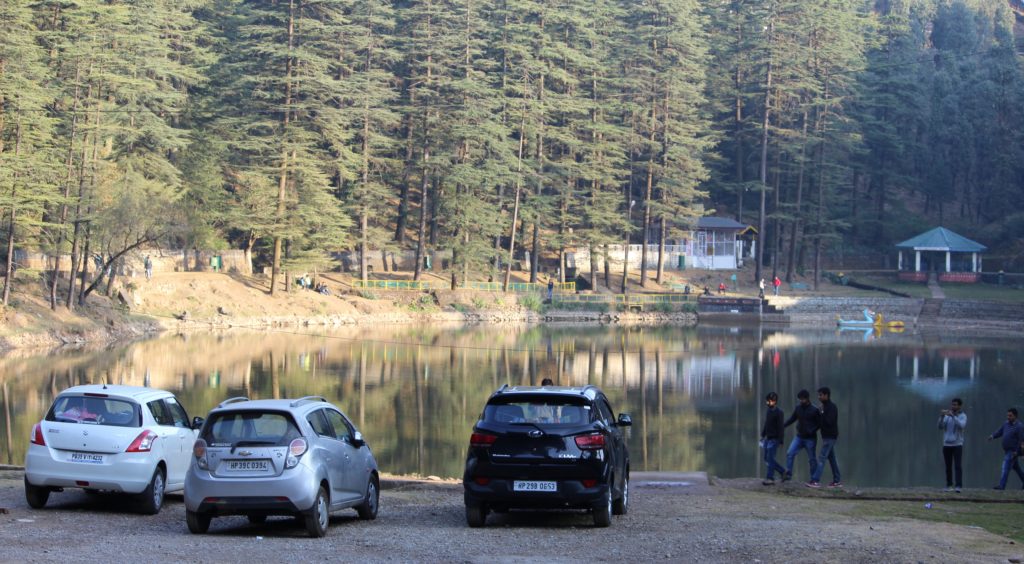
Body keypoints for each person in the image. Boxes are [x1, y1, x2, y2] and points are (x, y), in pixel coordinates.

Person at [783, 389, 820, 482]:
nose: (801, 401)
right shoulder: (798, 408)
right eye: (800, 399)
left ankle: (814, 479)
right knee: (790, 453)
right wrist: (782, 426)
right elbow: (792, 419)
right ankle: (788, 475)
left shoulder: (814, 410)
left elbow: (819, 424)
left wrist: (812, 431)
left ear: (807, 398)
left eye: (802, 399)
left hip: (810, 439)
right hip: (799, 437)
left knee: (812, 459)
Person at [808, 387, 841, 488]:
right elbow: (820, 423)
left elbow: (829, 422)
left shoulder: (832, 407)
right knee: (832, 459)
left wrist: (822, 412)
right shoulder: (824, 407)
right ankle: (837, 480)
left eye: (821, 395)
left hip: (830, 437)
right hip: (826, 436)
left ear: (826, 395)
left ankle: (815, 480)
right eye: (818, 395)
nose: (819, 397)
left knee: (822, 458)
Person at [988, 407, 1024, 490]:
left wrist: (1016, 451)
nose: (1008, 417)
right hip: (1007, 450)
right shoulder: (1006, 424)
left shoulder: (1019, 426)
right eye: (1007, 415)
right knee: (1017, 468)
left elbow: (1021, 440)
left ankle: (1001, 486)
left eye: (1010, 416)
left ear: (1015, 416)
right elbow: (1000, 432)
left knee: (1005, 467)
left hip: (1013, 451)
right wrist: (992, 436)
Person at [938, 398, 967, 492]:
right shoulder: (947, 416)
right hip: (946, 444)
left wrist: (953, 416)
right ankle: (949, 485)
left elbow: (961, 426)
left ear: (959, 406)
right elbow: (940, 427)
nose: (953, 406)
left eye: (955, 405)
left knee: (958, 466)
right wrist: (942, 417)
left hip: (957, 444)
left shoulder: (963, 416)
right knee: (948, 466)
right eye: (952, 404)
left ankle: (958, 486)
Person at [761, 392, 787, 485]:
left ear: (775, 402)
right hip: (768, 438)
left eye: (771, 401)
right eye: (768, 401)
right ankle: (783, 471)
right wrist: (763, 434)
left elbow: (781, 427)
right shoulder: (768, 411)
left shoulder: (779, 412)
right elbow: (766, 424)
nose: (769, 403)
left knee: (770, 458)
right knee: (766, 459)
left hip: (775, 439)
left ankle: (770, 478)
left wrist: (781, 440)